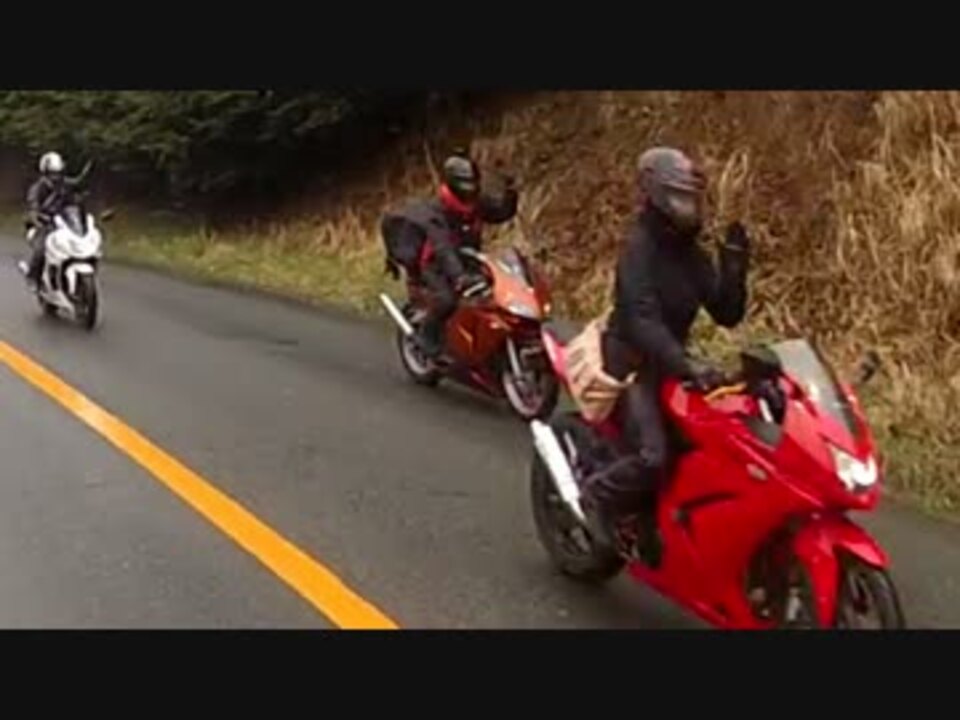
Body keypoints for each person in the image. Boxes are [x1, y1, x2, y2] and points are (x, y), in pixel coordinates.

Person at [582, 146, 752, 552]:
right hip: (631, 363)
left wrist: (734, 267)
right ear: (656, 195)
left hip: (671, 363)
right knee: (653, 456)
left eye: (692, 198)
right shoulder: (639, 249)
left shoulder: (690, 254)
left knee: (719, 445)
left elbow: (726, 314)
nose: (688, 207)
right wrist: (686, 364)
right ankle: (596, 498)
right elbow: (642, 320)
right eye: (679, 197)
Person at [381, 150, 518, 358]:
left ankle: (479, 342)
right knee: (447, 300)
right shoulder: (438, 213)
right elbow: (442, 248)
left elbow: (500, 213)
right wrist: (459, 276)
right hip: (435, 265)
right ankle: (427, 336)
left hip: (468, 259)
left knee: (496, 295)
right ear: (453, 183)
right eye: (465, 183)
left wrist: (510, 193)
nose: (470, 188)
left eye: (473, 182)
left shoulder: (476, 204)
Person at [24, 152, 92, 289]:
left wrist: (89, 169)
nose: (56, 177)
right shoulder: (38, 187)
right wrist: (35, 214)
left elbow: (79, 182)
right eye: (52, 173)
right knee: (41, 249)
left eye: (58, 173)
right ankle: (33, 276)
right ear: (45, 173)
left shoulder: (65, 184)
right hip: (44, 222)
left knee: (80, 243)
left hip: (64, 222)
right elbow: (33, 203)